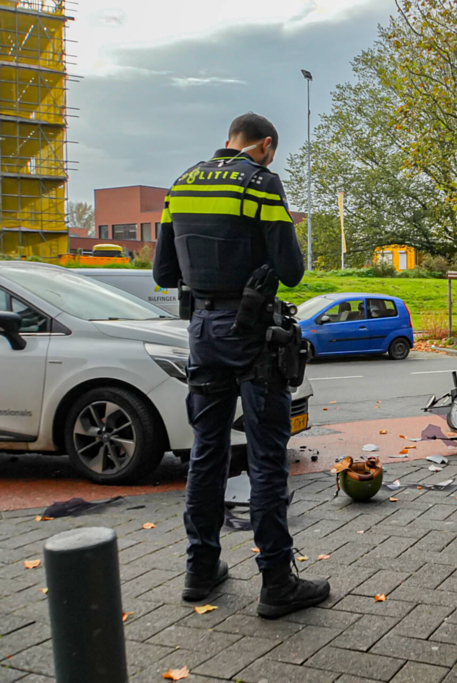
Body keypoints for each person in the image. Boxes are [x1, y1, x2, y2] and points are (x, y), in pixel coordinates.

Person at [154, 113, 331, 619]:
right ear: (265, 146)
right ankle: (277, 582)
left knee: (206, 454)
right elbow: (293, 271)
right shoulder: (261, 183)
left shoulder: (182, 184)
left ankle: (200, 569)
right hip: (253, 335)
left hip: (203, 332)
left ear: (228, 139)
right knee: (266, 457)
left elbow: (166, 271)